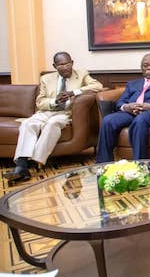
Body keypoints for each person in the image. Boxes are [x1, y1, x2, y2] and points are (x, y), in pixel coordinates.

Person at [6, 52, 103, 182]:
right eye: (61, 65)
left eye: (68, 63)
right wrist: (54, 101)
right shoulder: (46, 79)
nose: (65, 67)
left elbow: (98, 86)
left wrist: (73, 93)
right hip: (47, 112)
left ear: (72, 63)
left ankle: (33, 161)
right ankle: (22, 165)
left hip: (65, 113)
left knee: (52, 123)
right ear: (55, 66)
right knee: (28, 124)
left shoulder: (81, 74)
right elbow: (40, 102)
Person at [96, 53, 150, 163]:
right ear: (141, 68)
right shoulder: (132, 84)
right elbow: (120, 102)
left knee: (141, 119)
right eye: (145, 65)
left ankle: (139, 164)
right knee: (108, 120)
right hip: (131, 112)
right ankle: (103, 163)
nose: (149, 68)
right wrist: (126, 107)